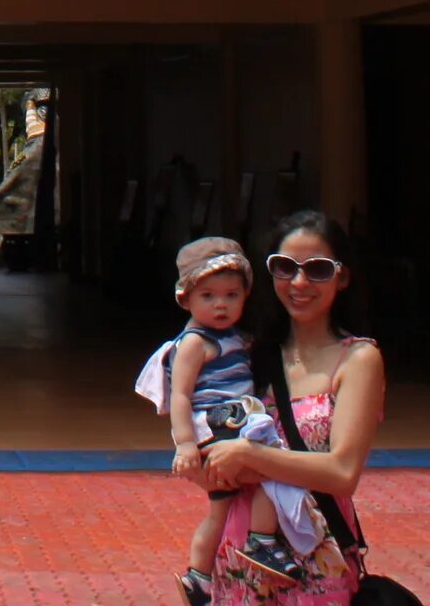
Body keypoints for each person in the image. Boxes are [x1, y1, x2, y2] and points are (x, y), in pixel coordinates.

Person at [182, 210, 385, 606]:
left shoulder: (358, 359)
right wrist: (203, 464)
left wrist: (248, 455)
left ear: (342, 277)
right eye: (285, 267)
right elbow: (210, 447)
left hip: (316, 562)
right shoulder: (247, 355)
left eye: (318, 269)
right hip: (239, 558)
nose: (299, 282)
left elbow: (342, 473)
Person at [135, 236, 318, 603]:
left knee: (218, 512)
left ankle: (198, 579)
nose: (221, 304)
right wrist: (186, 444)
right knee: (277, 469)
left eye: (231, 295)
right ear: (185, 298)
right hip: (219, 428)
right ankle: (261, 540)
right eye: (209, 296)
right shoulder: (194, 343)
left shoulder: (233, 337)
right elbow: (182, 395)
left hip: (233, 424)